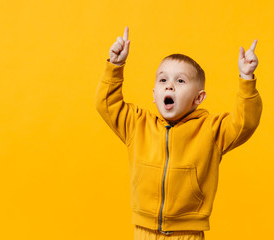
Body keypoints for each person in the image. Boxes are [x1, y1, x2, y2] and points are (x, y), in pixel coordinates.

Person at [95, 26, 262, 240]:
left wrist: (246, 79)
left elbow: (245, 123)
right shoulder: (137, 124)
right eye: (163, 80)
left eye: (180, 81)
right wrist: (115, 65)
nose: (170, 87)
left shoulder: (211, 130)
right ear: (154, 94)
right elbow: (106, 104)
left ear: (198, 98)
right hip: (143, 231)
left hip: (188, 233)